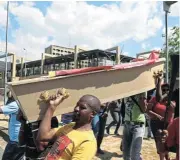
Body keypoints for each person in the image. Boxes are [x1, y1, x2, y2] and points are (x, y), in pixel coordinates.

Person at [36, 90, 101, 160]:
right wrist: (52, 107)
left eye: (82, 107)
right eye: (77, 105)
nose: (76, 108)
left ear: (92, 114)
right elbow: (43, 136)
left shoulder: (88, 142)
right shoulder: (71, 126)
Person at [147, 73, 175, 160]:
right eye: (163, 89)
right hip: (156, 124)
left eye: (167, 89)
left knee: (167, 143)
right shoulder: (155, 99)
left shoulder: (173, 99)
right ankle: (162, 158)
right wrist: (157, 116)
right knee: (159, 142)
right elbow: (147, 110)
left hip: (168, 125)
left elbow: (174, 110)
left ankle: (167, 156)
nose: (165, 91)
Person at [0, 91, 24, 160]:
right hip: (21, 139)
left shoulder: (16, 104)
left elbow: (1, 109)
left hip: (15, 141)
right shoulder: (23, 103)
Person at [122, 93, 147, 160]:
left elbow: (144, 110)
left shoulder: (142, 91)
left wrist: (142, 99)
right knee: (125, 153)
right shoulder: (125, 93)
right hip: (127, 124)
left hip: (138, 125)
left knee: (134, 155)